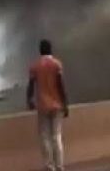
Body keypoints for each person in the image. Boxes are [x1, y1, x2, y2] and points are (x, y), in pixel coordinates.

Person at [26, 39, 69, 171]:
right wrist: (65, 103)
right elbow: (61, 85)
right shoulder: (56, 64)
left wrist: (29, 100)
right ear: (51, 49)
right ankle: (60, 166)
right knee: (57, 136)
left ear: (40, 50)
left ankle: (49, 166)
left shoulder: (35, 66)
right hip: (57, 105)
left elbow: (31, 86)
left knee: (44, 136)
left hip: (42, 105)